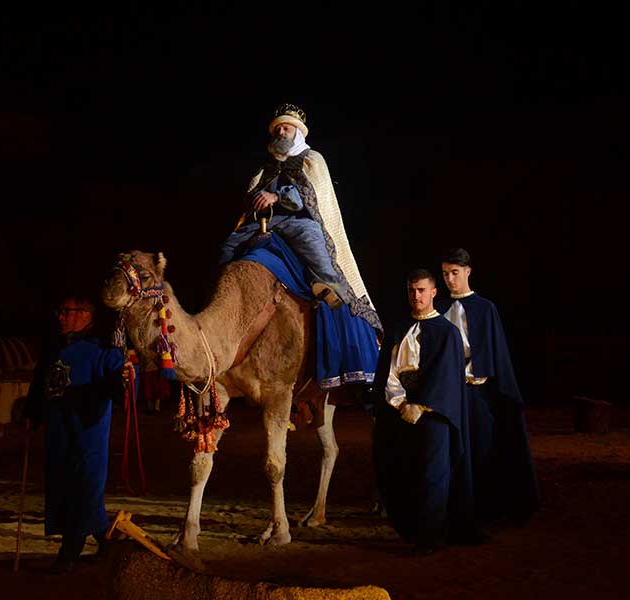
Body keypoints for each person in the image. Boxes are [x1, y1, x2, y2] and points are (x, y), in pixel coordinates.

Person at [219, 103, 381, 331]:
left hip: (299, 220)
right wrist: (257, 198)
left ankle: (332, 291)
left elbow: (310, 194)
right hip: (266, 221)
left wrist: (276, 197)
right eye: (278, 129)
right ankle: (222, 297)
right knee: (229, 246)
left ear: (297, 132)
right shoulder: (267, 167)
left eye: (286, 128)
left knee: (313, 241)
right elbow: (251, 194)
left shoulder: (311, 159)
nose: (281, 132)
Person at [372, 269, 482, 554]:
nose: (416, 295)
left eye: (421, 290)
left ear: (434, 292)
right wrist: (399, 403)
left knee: (433, 474)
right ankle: (410, 529)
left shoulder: (448, 333)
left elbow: (445, 376)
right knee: (404, 470)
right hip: (401, 412)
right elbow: (389, 371)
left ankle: (430, 537)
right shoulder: (398, 329)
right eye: (411, 290)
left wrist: (421, 406)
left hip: (435, 414)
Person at [25, 295, 127, 573]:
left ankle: (70, 551)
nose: (60, 316)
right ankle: (106, 544)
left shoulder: (103, 351)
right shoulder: (54, 349)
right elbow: (40, 383)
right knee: (66, 487)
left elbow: (119, 388)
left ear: (86, 315)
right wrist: (33, 412)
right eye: (60, 311)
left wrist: (124, 380)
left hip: (88, 432)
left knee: (85, 487)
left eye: (66, 311)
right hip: (58, 432)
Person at [437, 248, 539, 522]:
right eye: (445, 274)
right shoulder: (440, 310)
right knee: (452, 451)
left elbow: (496, 353)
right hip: (449, 393)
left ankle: (485, 510)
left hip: (478, 392)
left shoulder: (485, 309)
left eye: (455, 273)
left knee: (481, 450)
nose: (450, 279)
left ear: (468, 272)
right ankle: (454, 510)